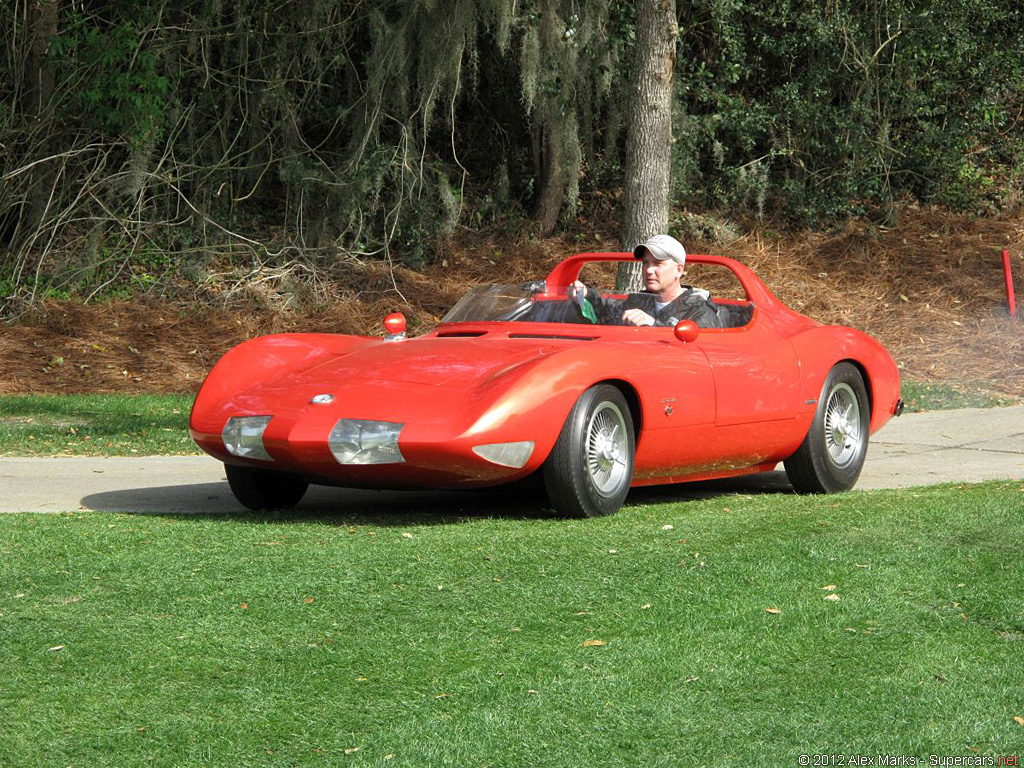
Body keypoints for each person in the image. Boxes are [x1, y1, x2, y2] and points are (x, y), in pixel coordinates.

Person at [572, 234, 722, 328]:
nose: (649, 270)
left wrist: (653, 326)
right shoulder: (638, 302)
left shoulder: (699, 308)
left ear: (679, 270)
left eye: (658, 263)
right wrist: (584, 294)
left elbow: (699, 352)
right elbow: (602, 311)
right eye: (645, 263)